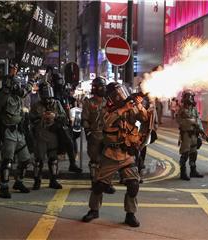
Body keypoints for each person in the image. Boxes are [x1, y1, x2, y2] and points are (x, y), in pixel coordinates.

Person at [82, 82, 149, 227]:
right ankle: (94, 210)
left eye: (121, 93)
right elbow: (106, 124)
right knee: (99, 186)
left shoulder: (130, 108)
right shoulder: (106, 110)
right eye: (116, 94)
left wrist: (139, 105)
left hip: (126, 153)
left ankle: (130, 214)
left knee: (133, 185)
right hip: (111, 154)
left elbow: (144, 118)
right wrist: (123, 108)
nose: (120, 96)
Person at [0, 73, 33, 198]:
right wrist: (8, 87)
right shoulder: (3, 96)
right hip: (8, 132)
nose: (17, 86)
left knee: (25, 159)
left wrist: (31, 82)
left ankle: (19, 182)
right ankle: (4, 186)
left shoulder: (17, 97)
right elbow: (2, 102)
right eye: (15, 83)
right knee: (7, 162)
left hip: (19, 132)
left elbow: (25, 92)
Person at [81, 77, 115, 194]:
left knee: (108, 161)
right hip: (95, 136)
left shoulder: (109, 102)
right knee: (95, 162)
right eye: (102, 86)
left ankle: (107, 183)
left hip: (108, 136)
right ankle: (94, 183)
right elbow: (84, 119)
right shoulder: (89, 102)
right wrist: (88, 132)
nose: (104, 89)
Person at [30, 82, 65, 190]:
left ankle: (53, 180)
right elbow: (31, 119)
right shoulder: (36, 105)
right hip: (41, 134)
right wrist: (41, 117)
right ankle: (37, 181)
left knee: (53, 159)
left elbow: (64, 117)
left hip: (53, 134)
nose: (47, 97)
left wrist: (55, 116)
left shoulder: (56, 103)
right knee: (38, 160)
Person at [52, 73, 82, 173]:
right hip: (54, 121)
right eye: (58, 80)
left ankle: (72, 163)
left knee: (71, 141)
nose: (60, 82)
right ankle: (70, 165)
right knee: (64, 143)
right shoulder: (52, 91)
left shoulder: (62, 92)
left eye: (61, 80)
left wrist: (69, 118)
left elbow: (67, 104)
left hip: (64, 120)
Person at [176, 90, 205, 180]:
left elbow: (198, 120)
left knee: (193, 153)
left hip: (194, 134)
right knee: (185, 153)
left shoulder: (194, 109)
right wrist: (191, 121)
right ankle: (183, 172)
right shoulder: (181, 110)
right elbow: (180, 122)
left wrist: (201, 129)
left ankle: (193, 170)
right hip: (186, 134)